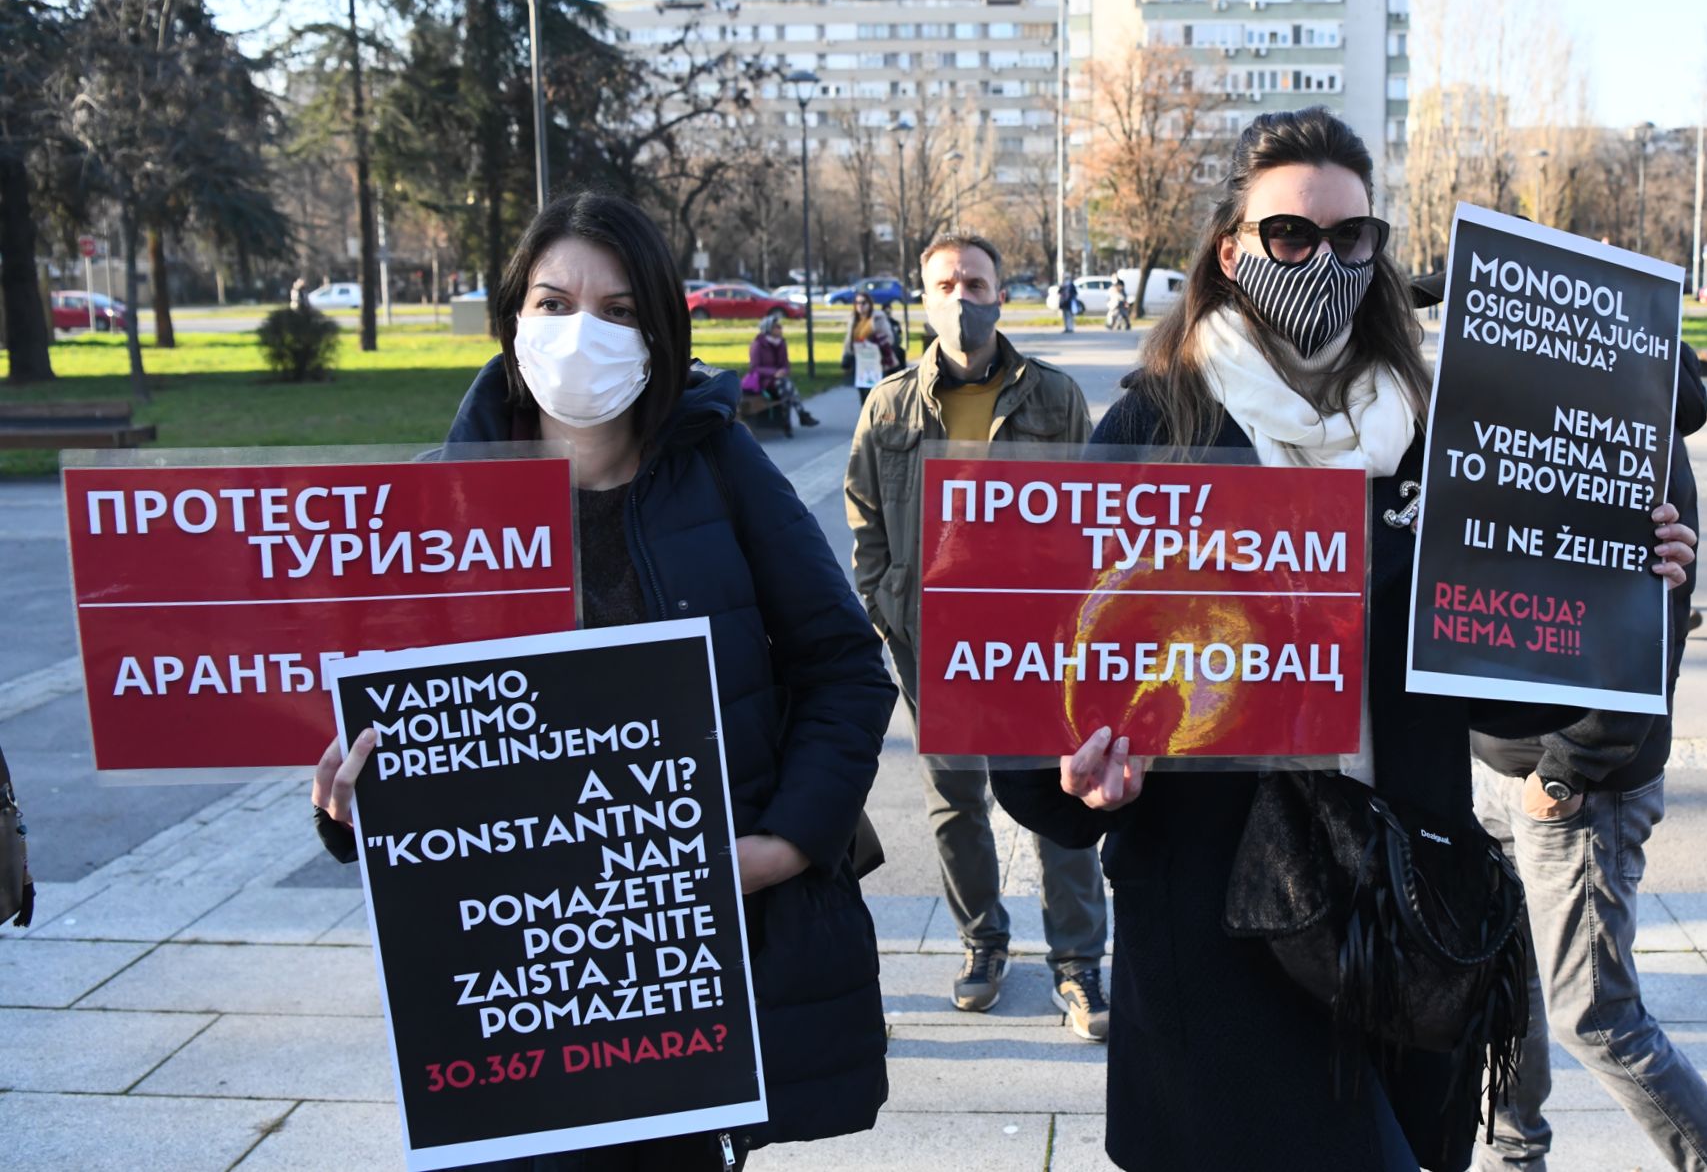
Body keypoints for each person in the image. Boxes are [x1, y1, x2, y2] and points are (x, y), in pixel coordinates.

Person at [988, 107, 1696, 1171]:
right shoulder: (1149, 434)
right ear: (1228, 251)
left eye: (1349, 236)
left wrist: (1615, 595)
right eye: (1288, 235)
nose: (1320, 259)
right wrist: (1076, 779)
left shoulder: (1436, 439)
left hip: (1398, 915)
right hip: (1214, 918)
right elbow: (1044, 711)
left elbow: (1499, 698)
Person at [311, 191, 897, 1171]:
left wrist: (784, 846)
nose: (581, 334)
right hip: (502, 987)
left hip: (678, 972)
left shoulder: (721, 469)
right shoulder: (431, 503)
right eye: (552, 303)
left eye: (618, 312)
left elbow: (843, 667)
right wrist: (346, 805)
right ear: (511, 321)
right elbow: (390, 729)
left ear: (661, 333)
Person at [1470, 343, 1707, 1172]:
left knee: (1594, 1015)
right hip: (1492, 762)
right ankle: (1511, 1156)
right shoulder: (1502, 416)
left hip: (1572, 785)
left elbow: (1653, 632)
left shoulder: (1638, 435)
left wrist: (1567, 767)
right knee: (1507, 990)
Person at [843, 230, 1112, 1039]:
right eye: (947, 284)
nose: (963, 298)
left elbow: (1093, 512)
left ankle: (1077, 962)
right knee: (955, 801)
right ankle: (982, 941)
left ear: (1001, 293)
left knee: (1061, 798)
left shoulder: (1054, 397)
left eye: (977, 282)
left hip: (1039, 643)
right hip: (937, 643)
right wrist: (889, 608)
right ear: (924, 299)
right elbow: (864, 519)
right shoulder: (889, 404)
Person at [742, 312, 819, 428]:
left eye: (780, 326)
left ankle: (787, 420)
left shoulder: (781, 343)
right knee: (786, 385)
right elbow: (755, 368)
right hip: (763, 382)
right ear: (769, 329)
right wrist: (774, 373)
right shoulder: (758, 344)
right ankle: (800, 415)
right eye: (777, 327)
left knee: (784, 385)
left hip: (779, 381)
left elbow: (786, 364)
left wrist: (784, 371)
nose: (780, 328)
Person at [841, 293, 900, 405]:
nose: (860, 306)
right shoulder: (854, 319)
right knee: (863, 393)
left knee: (877, 394)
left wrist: (872, 344)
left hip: (877, 361)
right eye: (857, 303)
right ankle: (866, 419)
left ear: (869, 304)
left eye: (863, 302)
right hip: (859, 361)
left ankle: (878, 418)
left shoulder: (878, 318)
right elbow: (848, 340)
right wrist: (846, 355)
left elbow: (889, 338)